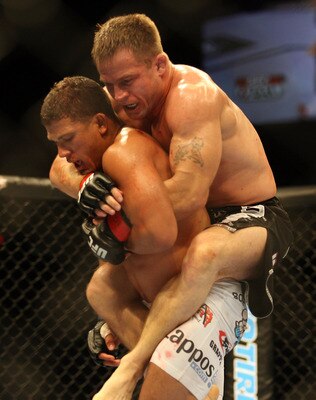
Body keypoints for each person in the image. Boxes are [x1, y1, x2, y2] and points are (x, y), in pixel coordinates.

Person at [49, 14, 293, 399]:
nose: (119, 96)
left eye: (127, 81)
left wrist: (119, 218)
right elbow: (61, 160)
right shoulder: (122, 107)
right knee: (103, 288)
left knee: (204, 252)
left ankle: (131, 368)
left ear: (159, 65)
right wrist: (86, 186)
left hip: (253, 218)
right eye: (109, 85)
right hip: (197, 223)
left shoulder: (192, 97)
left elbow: (187, 193)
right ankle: (189, 382)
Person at [41, 75, 248, 400]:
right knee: (102, 289)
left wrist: (115, 236)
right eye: (56, 142)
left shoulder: (125, 150)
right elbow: (56, 169)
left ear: (100, 124)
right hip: (161, 298)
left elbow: (160, 233)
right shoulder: (96, 157)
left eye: (67, 139)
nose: (64, 152)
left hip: (202, 290)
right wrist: (84, 186)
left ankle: (138, 372)